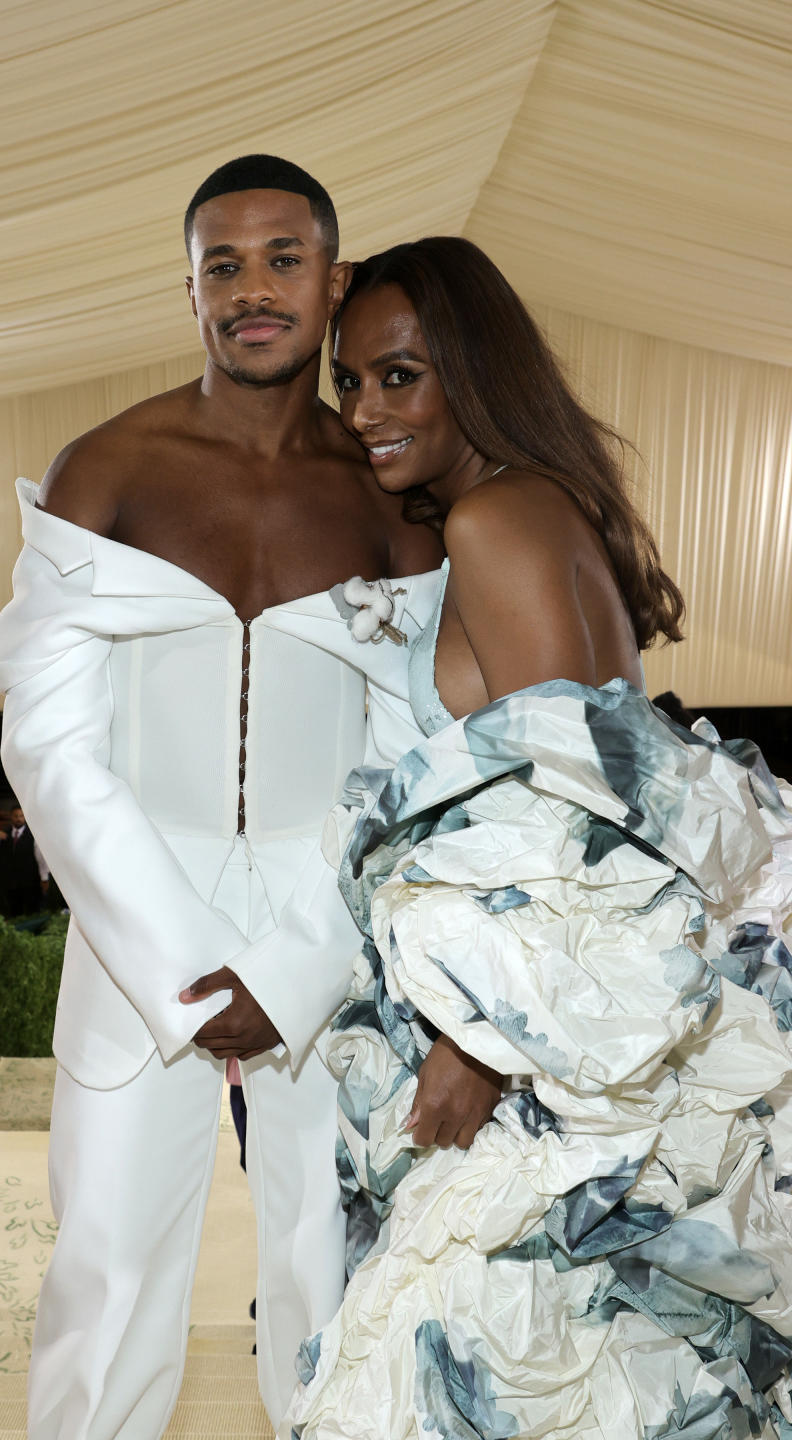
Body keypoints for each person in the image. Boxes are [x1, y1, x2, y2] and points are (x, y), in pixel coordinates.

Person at [287, 238, 792, 1438]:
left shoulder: (498, 520)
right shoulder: (528, 506)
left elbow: (584, 815)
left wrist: (480, 1042)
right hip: (575, 1032)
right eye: (350, 382)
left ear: (476, 372)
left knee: (475, 1361)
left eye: (399, 376)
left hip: (543, 1050)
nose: (365, 411)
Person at [0, 155, 442, 1440]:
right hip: (136, 922)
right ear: (188, 289)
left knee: (333, 1268)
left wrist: (296, 966)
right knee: (111, 1269)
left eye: (282, 259)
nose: (253, 290)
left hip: (334, 929)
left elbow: (411, 761)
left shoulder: (388, 491)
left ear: (332, 277)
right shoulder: (108, 467)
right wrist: (187, 967)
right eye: (222, 265)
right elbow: (52, 746)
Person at [0, 804, 49, 916]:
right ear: (11, 817)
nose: (18, 818)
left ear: (25, 817)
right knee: (13, 912)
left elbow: (41, 859)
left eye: (21, 816)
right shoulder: (3, 834)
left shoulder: (33, 835)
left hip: (30, 881)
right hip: (10, 882)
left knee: (32, 911)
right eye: (16, 816)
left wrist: (44, 878)